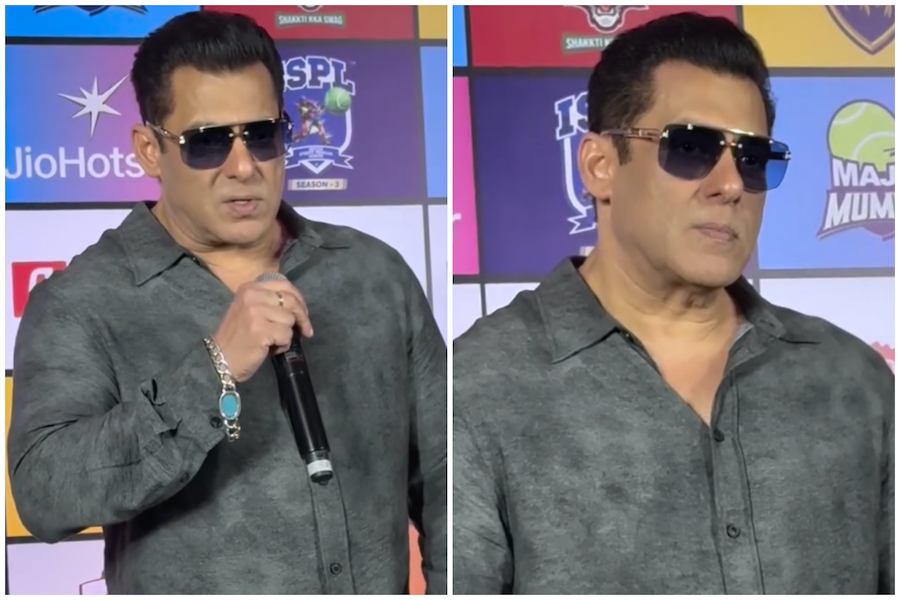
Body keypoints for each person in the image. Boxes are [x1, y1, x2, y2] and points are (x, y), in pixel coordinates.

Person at [8, 10, 446, 595]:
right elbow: (45, 494)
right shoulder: (80, 302)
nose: (243, 168)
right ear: (148, 150)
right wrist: (213, 369)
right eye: (207, 143)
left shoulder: (374, 275)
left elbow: (450, 483)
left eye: (262, 135)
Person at [453, 12, 892, 595]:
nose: (730, 184)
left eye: (752, 158)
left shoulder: (853, 381)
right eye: (690, 147)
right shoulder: (477, 388)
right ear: (600, 166)